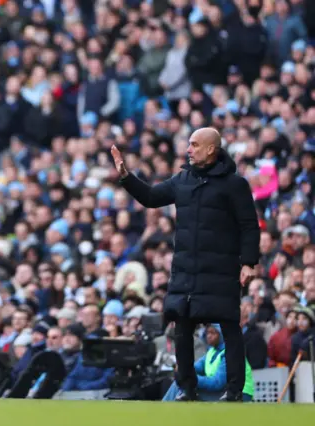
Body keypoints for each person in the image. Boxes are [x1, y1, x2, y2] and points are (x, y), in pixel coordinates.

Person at [111, 127, 260, 402]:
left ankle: (236, 391)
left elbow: (249, 226)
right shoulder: (182, 179)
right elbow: (151, 197)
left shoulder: (235, 184)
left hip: (221, 268)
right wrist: (125, 176)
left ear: (211, 149)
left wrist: (249, 263)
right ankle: (187, 389)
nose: (188, 150)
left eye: (194, 144)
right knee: (182, 328)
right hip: (186, 269)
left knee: (229, 326)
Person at [162, 324, 255, 402]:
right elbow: (195, 367)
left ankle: (164, 413)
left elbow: (217, 383)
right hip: (223, 391)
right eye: (207, 333)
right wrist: (183, 370)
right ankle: (163, 409)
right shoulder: (211, 351)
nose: (209, 336)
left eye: (213, 333)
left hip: (239, 394)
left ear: (222, 334)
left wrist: (190, 378)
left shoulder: (230, 353)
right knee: (180, 384)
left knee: (187, 389)